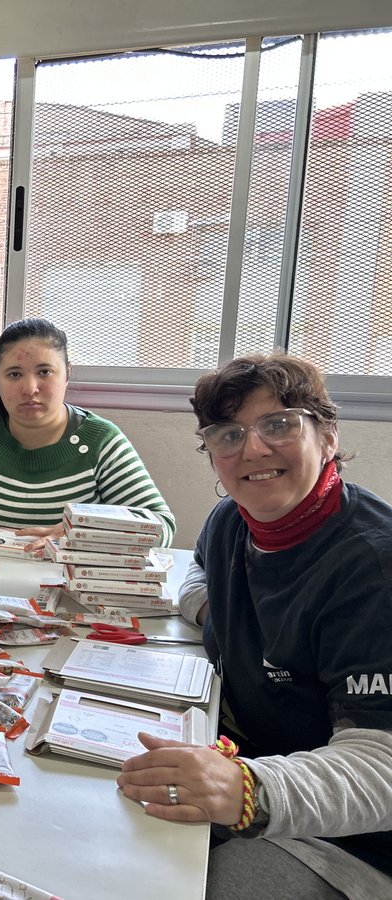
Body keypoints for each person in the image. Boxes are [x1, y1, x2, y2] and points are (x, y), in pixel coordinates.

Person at [118, 353, 392, 899]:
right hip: (257, 767)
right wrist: (214, 615)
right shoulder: (230, 522)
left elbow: (381, 766)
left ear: (327, 436)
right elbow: (197, 570)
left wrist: (248, 788)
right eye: (228, 434)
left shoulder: (372, 567)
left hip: (351, 842)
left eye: (279, 424)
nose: (254, 449)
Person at [0, 317, 174, 549]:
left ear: (67, 373)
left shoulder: (100, 441)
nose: (30, 388)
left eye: (45, 372)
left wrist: (85, 529)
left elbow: (161, 526)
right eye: (14, 374)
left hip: (70, 592)